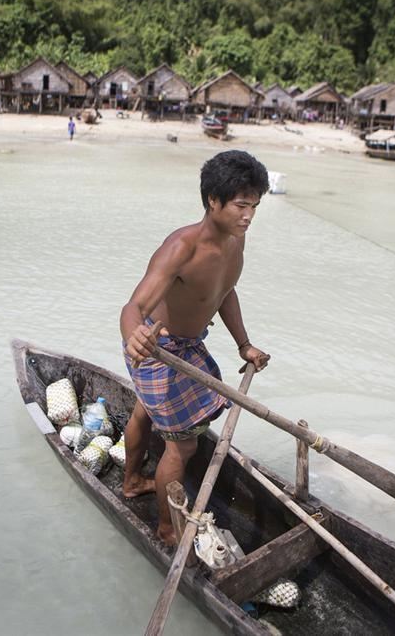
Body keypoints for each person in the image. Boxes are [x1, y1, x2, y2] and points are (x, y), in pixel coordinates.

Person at [120, 150, 272, 546]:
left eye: (255, 206)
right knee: (183, 445)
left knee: (144, 410)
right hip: (154, 347)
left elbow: (225, 291)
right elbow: (134, 307)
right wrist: (135, 338)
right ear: (213, 200)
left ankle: (132, 481)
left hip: (189, 344)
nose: (249, 216)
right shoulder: (181, 248)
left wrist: (244, 344)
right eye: (241, 205)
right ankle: (167, 529)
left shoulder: (236, 240)